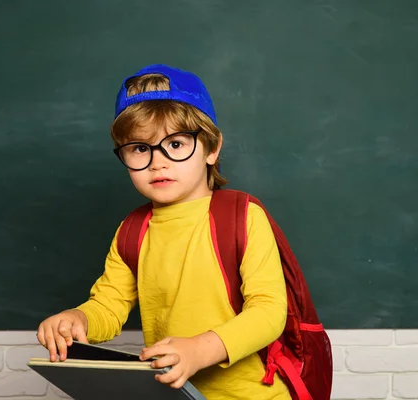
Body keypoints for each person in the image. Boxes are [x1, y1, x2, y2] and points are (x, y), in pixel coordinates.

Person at [36, 64, 291, 399]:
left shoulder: (242, 217)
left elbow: (269, 311)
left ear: (211, 149)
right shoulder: (132, 231)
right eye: (140, 148)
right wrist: (79, 318)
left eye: (176, 144)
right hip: (176, 392)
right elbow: (110, 305)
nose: (158, 162)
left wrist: (200, 349)